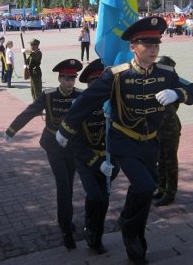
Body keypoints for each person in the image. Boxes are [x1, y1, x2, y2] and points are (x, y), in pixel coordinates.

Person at [56, 16, 193, 263]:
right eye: (147, 44)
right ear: (133, 47)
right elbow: (88, 100)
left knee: (142, 190)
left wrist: (177, 92)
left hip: (151, 143)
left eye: (156, 44)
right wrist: (66, 128)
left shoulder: (167, 73)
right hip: (124, 141)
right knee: (145, 187)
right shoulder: (115, 75)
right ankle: (128, 226)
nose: (153, 49)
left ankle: (134, 238)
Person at [4, 59, 83, 250]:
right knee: (63, 184)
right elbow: (30, 111)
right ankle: (65, 228)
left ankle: (66, 218)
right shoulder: (49, 96)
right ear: (59, 77)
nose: (70, 82)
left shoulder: (81, 95)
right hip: (53, 145)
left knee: (70, 184)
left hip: (72, 147)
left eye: (73, 78)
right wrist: (12, 130)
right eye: (66, 78)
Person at [74, 59, 120, 254]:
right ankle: (89, 228)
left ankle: (96, 237)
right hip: (87, 161)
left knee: (105, 199)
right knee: (95, 196)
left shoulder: (113, 105)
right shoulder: (79, 106)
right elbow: (75, 143)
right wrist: (95, 162)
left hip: (108, 161)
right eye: (96, 85)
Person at [152, 56, 182, 207]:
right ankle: (161, 188)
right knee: (160, 160)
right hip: (158, 128)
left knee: (170, 161)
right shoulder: (156, 82)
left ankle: (170, 193)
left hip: (170, 128)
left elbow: (177, 103)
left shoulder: (172, 85)